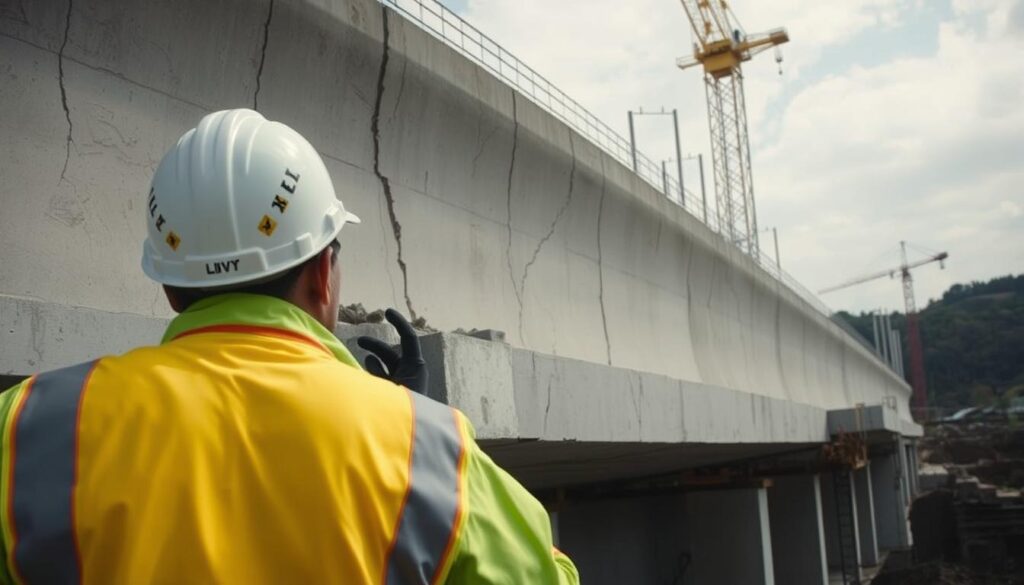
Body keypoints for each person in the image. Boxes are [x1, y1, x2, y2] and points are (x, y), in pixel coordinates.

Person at [0, 109, 579, 584]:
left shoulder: (26, 426)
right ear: (324, 274)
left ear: (173, 288)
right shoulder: (427, 449)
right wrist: (412, 433)